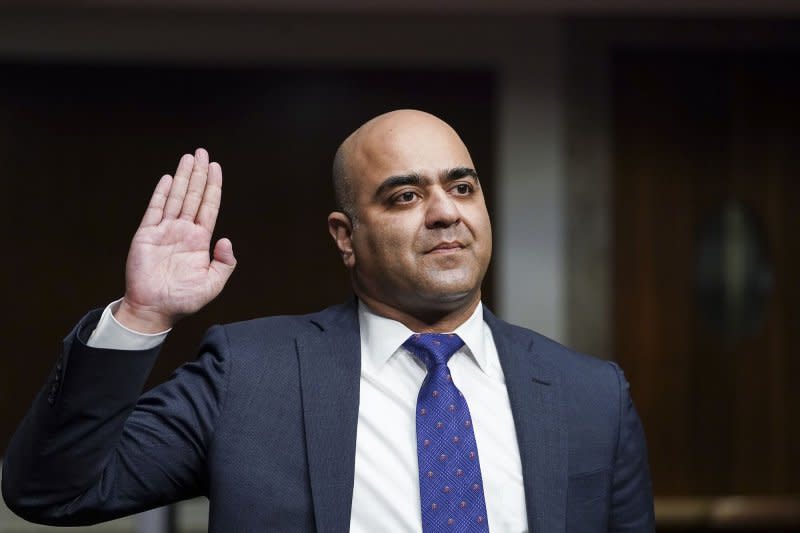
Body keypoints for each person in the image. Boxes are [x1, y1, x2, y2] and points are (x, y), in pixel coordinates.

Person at [2, 110, 654, 532]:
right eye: (405, 195)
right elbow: (52, 490)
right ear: (346, 236)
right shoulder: (248, 376)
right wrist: (140, 315)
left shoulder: (591, 395)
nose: (445, 212)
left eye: (462, 187)